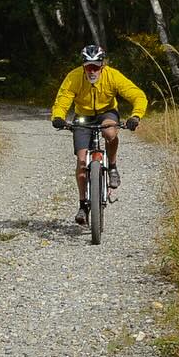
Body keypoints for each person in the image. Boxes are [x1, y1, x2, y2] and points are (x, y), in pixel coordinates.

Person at [50, 43, 148, 225]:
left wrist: (136, 116)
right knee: (81, 162)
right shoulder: (74, 77)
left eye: (96, 67)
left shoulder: (113, 76)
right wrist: (58, 116)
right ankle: (83, 206)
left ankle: (112, 167)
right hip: (83, 117)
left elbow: (137, 95)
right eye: (88, 67)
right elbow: (62, 99)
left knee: (110, 132)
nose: (92, 71)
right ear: (83, 66)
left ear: (102, 66)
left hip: (107, 113)